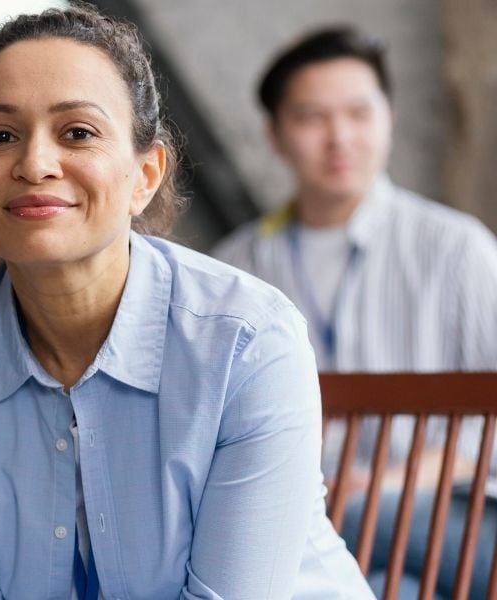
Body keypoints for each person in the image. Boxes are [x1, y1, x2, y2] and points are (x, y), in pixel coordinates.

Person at [0, 5, 374, 598]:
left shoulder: (248, 342)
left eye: (78, 132)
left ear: (144, 175)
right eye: (0, 136)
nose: (35, 164)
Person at [212, 26, 497, 598]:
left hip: (445, 512)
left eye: (359, 113)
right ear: (274, 135)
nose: (339, 137)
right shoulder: (234, 267)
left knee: (299, 530)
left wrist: (380, 482)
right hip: (325, 519)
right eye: (312, 118)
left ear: (388, 118)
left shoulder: (458, 248)